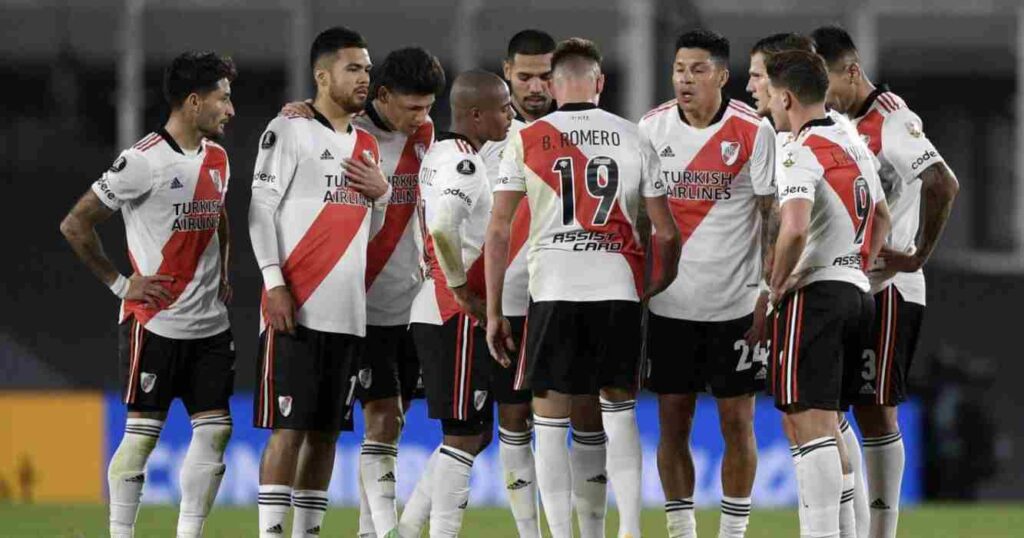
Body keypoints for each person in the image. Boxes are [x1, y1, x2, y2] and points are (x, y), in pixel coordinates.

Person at [485, 37, 681, 538]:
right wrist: (654, 285)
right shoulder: (634, 135)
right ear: (600, 83)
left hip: (552, 288)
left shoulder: (526, 138)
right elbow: (665, 232)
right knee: (618, 413)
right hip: (616, 286)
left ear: (552, 85)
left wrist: (492, 311)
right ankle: (631, 530)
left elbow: (500, 228)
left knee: (549, 421)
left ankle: (560, 532)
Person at [59, 51, 237, 538]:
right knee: (141, 438)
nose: (231, 109)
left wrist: (224, 269)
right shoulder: (142, 162)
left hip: (210, 327)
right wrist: (120, 284)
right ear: (194, 101)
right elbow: (76, 223)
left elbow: (217, 212)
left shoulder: (217, 158)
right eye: (223, 99)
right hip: (154, 322)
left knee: (217, 429)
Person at [811, 25, 960, 538]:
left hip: (888, 288)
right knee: (828, 404)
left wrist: (916, 255)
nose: (820, 94)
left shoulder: (893, 120)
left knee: (875, 409)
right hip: (845, 285)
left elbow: (942, 183)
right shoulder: (835, 124)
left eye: (825, 81)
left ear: (852, 70)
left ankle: (882, 531)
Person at [249, 26, 390, 538]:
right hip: (297, 307)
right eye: (354, 68)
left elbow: (368, 231)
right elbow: (259, 210)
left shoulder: (368, 145)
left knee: (327, 432)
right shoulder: (288, 130)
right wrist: (274, 283)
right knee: (289, 428)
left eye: (368, 69)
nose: (364, 78)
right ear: (322, 75)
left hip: (348, 314)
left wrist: (380, 195)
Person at [638, 29, 776, 538]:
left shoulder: (753, 130)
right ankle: (682, 531)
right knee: (673, 422)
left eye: (698, 70)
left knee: (737, 423)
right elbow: (636, 218)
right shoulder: (650, 129)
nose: (685, 80)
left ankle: (733, 533)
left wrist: (769, 291)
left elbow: (771, 216)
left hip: (737, 307)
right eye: (679, 69)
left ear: (722, 75)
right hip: (671, 305)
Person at [748, 32, 873, 537]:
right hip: (856, 291)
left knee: (808, 423)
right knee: (833, 422)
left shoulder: (799, 150)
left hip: (816, 296)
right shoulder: (849, 138)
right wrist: (857, 263)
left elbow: (795, 226)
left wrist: (774, 290)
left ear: (785, 97)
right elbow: (880, 217)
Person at [404, 70, 514, 537]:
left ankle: (407, 528)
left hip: (440, 310)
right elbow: (445, 225)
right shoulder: (464, 165)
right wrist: (461, 289)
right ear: (475, 114)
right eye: (503, 107)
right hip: (453, 314)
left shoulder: (443, 154)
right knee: (465, 434)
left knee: (476, 431)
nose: (510, 115)